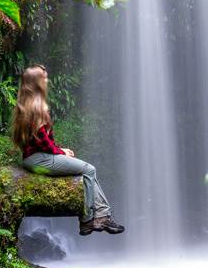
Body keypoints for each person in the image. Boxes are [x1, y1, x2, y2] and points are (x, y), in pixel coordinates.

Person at [11, 65, 124, 236]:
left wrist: (59, 149)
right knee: (89, 170)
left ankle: (102, 216)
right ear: (36, 82)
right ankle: (89, 219)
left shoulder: (25, 106)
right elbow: (43, 142)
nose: (47, 80)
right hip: (40, 159)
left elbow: (38, 140)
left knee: (86, 172)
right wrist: (60, 152)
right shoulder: (37, 107)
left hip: (31, 159)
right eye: (44, 77)